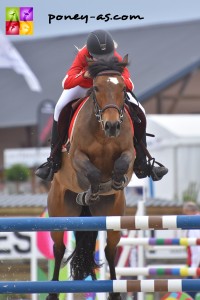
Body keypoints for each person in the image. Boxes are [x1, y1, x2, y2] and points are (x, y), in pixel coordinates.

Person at [35, 29, 168, 182]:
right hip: (84, 85)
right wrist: (84, 75)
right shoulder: (82, 55)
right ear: (90, 52)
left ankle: (143, 162)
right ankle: (54, 159)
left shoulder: (116, 57)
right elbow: (66, 82)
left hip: (108, 89)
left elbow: (130, 83)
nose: (103, 59)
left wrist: (118, 80)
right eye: (99, 57)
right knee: (59, 108)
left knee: (141, 110)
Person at [182, 201, 200, 299]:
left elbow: (196, 248)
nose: (184, 216)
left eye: (185, 213)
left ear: (190, 211)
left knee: (187, 293)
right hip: (196, 262)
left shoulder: (194, 222)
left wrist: (194, 268)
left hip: (196, 263)